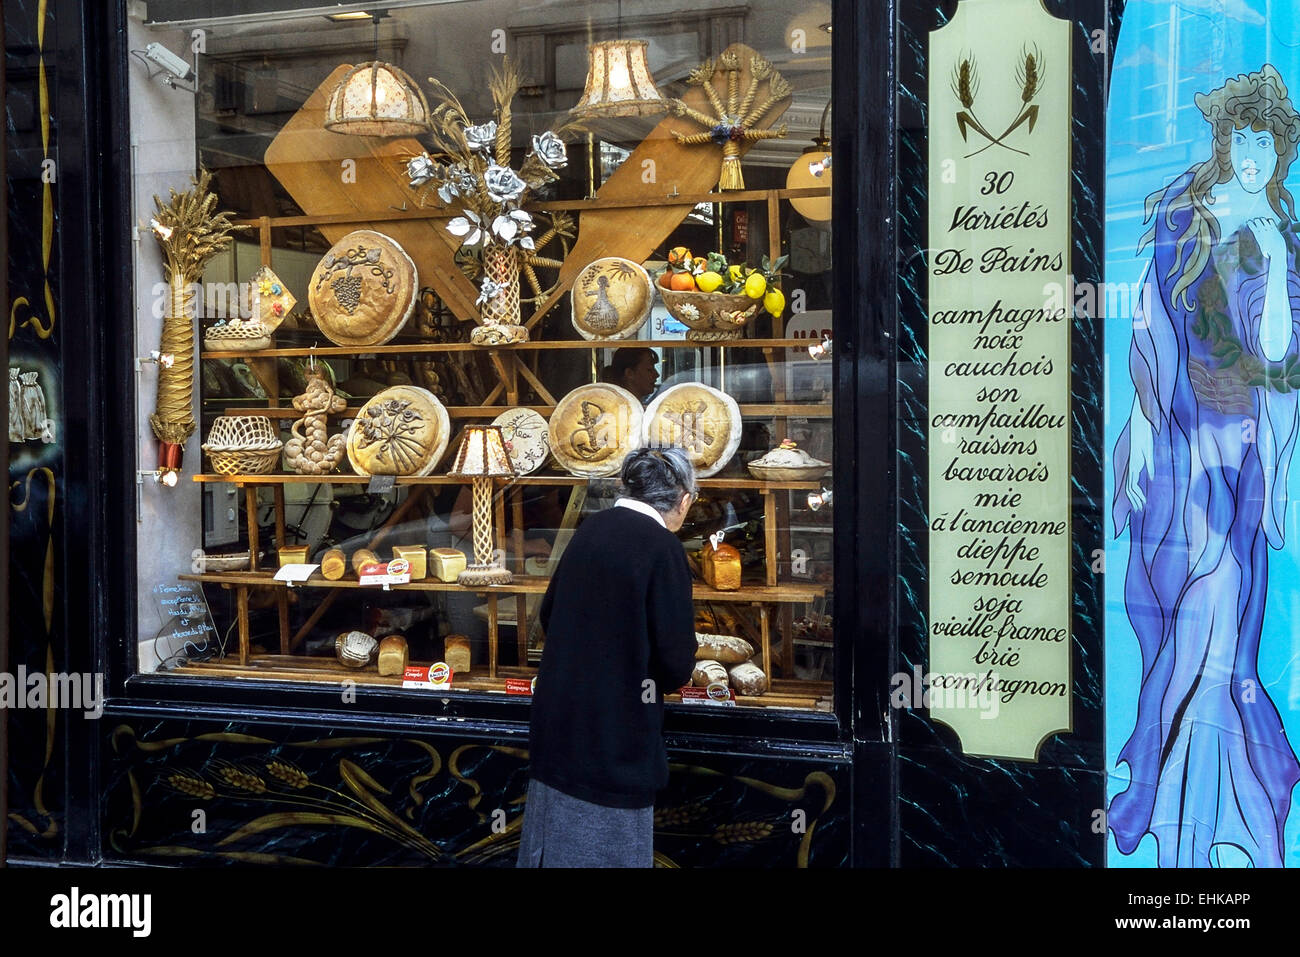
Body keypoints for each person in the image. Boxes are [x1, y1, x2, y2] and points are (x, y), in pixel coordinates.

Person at [1111, 64, 1300, 867]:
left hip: (1245, 456)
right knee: (1189, 623)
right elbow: (1148, 331)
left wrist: (1268, 233)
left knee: (1220, 625)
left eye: (1267, 141)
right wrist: (1142, 430)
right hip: (1182, 452)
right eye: (1242, 138)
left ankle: (1174, 805)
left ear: (1280, 150)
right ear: (1225, 142)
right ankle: (1204, 826)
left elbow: (1281, 363)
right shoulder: (1178, 216)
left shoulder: (1280, 231)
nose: (1253, 153)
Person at [517, 447, 698, 868]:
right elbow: (675, 663)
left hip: (559, 734)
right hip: (614, 746)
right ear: (683, 499)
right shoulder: (663, 548)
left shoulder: (591, 528)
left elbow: (548, 613)